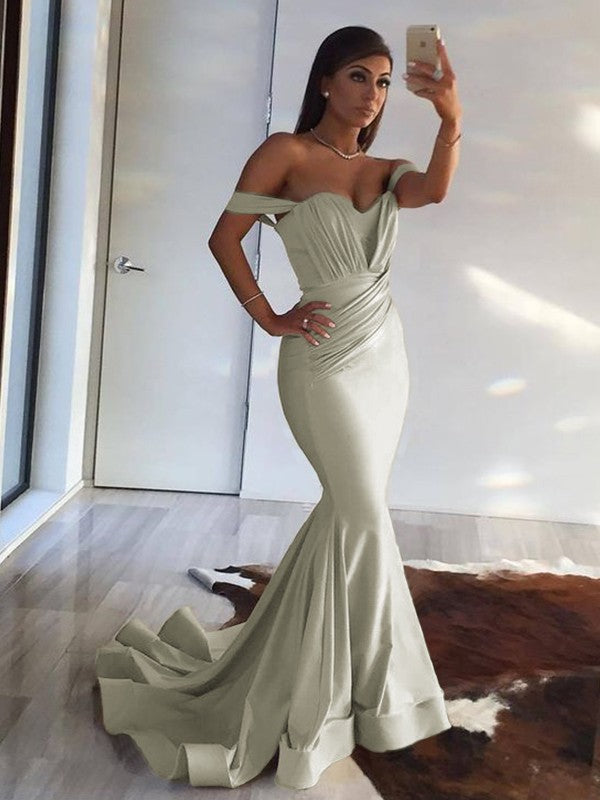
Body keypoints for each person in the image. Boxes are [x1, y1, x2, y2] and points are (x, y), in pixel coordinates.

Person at [94, 25, 462, 791]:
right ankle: (386, 699)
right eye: (358, 76)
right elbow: (224, 238)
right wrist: (268, 316)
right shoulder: (284, 155)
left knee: (350, 516)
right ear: (324, 81)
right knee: (363, 515)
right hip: (321, 360)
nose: (373, 94)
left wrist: (450, 117)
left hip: (385, 358)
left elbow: (434, 190)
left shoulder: (388, 170)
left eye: (384, 82)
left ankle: (333, 678)